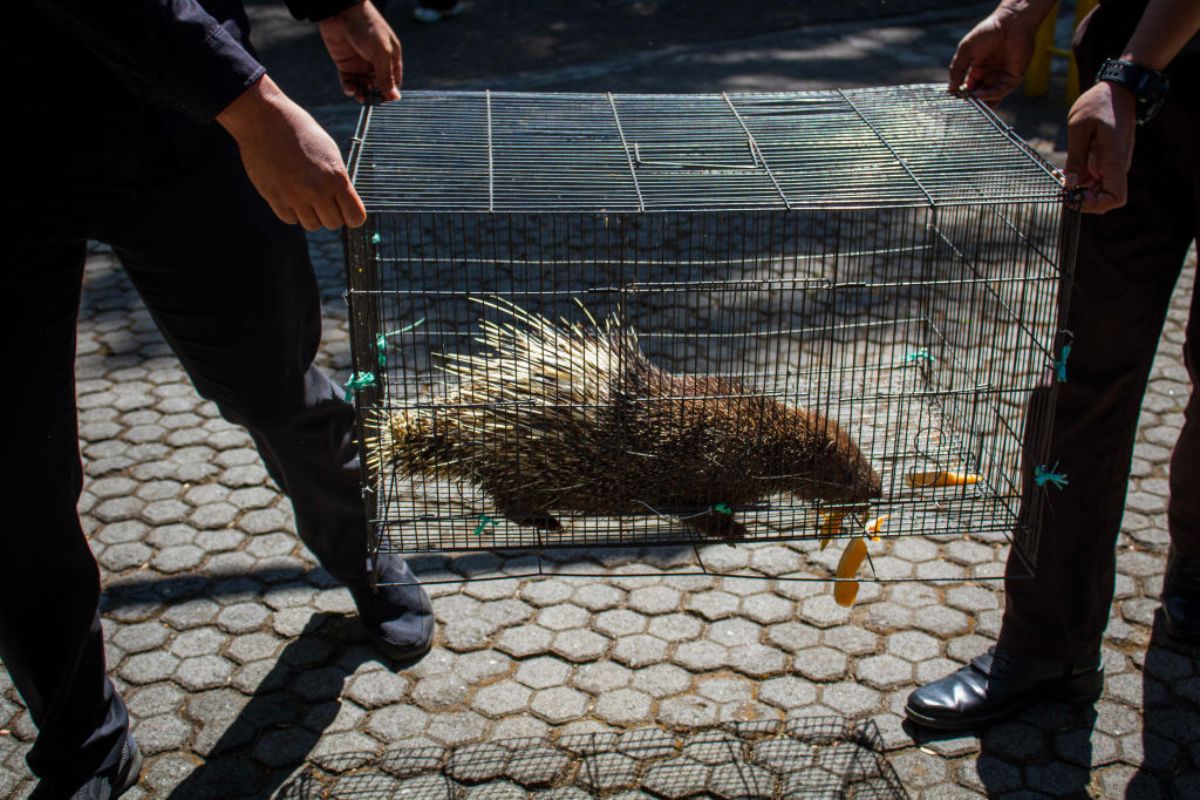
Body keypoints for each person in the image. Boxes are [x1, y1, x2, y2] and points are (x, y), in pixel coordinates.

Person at [3, 1, 434, 795]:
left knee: (273, 382)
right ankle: (80, 734)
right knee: (13, 486)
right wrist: (255, 103)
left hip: (182, 122)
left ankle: (364, 551)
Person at [906, 0, 1200, 730]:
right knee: (1081, 371)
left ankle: (1197, 574)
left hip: (1136, 72)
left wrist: (1134, 74)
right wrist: (1023, 11)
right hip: (1128, 78)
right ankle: (1047, 646)